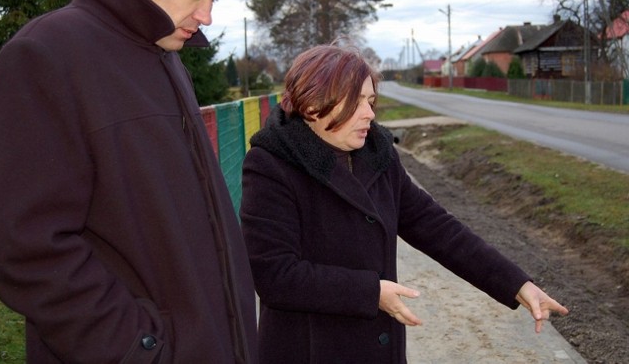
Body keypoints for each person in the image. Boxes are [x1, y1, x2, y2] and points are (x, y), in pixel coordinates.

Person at [0, 0, 257, 363]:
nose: (207, 16)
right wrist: (140, 348)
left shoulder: (166, 58)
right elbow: (24, 245)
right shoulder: (48, 54)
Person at [239, 43, 569, 364]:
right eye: (357, 102)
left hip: (379, 350)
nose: (370, 113)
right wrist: (370, 293)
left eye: (371, 100)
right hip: (309, 350)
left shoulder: (378, 155)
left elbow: (437, 227)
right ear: (313, 106)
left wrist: (515, 283)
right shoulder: (271, 165)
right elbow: (275, 277)